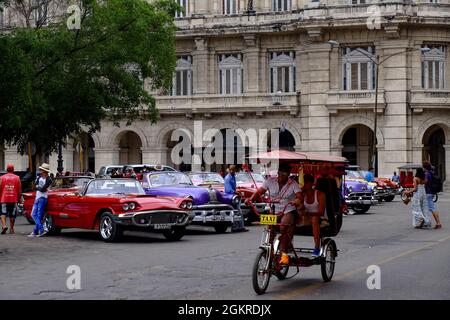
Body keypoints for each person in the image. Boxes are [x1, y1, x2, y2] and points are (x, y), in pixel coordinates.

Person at [247, 163, 302, 264]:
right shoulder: (270, 181)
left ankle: (284, 253)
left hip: (288, 210)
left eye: (284, 173)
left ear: (288, 174)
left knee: (283, 227)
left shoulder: (293, 183)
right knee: (270, 229)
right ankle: (270, 250)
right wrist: (250, 199)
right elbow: (259, 192)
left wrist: (297, 201)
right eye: (280, 172)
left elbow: (299, 197)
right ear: (277, 172)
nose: (281, 175)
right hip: (273, 210)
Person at [298, 174, 327, 257]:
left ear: (311, 184)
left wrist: (308, 213)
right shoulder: (301, 195)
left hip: (320, 219)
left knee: (314, 219)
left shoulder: (320, 194)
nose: (303, 185)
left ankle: (317, 247)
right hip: (306, 218)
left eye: (306, 183)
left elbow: (321, 212)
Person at [28, 163, 52, 237]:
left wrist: (38, 187)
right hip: (37, 197)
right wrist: (38, 187)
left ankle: (36, 231)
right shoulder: (39, 177)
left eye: (41, 170)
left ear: (44, 171)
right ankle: (40, 230)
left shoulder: (49, 179)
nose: (40, 171)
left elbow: (42, 189)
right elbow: (35, 187)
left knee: (39, 215)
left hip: (43, 198)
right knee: (33, 214)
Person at [224, 165, 248, 232]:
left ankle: (239, 227)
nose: (232, 171)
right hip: (230, 197)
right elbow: (228, 190)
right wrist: (236, 193)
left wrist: (236, 193)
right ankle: (237, 227)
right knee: (237, 211)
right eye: (231, 169)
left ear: (235, 170)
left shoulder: (233, 176)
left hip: (234, 197)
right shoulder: (228, 178)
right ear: (229, 170)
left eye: (233, 170)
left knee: (237, 211)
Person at [0, 164, 22, 234]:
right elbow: (19, 190)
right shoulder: (17, 178)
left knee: (3, 212)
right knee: (12, 214)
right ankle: (12, 228)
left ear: (7, 169)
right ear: (13, 170)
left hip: (4, 198)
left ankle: (4, 226)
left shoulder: (2, 177)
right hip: (13, 198)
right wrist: (19, 198)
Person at [423, 161, 442, 229]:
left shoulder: (427, 173)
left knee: (432, 208)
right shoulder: (431, 173)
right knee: (427, 208)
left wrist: (421, 182)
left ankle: (438, 223)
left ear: (424, 167)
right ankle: (425, 222)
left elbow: (425, 182)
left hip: (428, 192)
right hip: (431, 192)